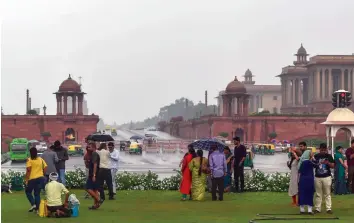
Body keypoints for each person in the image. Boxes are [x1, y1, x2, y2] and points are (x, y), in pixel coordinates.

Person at [313, 143, 335, 214]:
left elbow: (333, 166)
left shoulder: (329, 156)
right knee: (318, 194)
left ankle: (328, 208)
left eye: (324, 150)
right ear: (319, 149)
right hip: (317, 177)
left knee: (327, 193)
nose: (322, 151)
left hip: (327, 177)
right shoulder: (316, 156)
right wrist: (318, 163)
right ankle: (317, 209)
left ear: (326, 149)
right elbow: (313, 165)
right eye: (321, 150)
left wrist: (327, 163)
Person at [25, 147, 48, 212]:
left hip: (32, 179)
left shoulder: (29, 160)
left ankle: (33, 204)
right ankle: (38, 209)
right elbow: (45, 167)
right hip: (40, 178)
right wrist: (43, 174)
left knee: (28, 192)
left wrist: (26, 179)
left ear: (30, 153)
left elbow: (28, 170)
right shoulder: (40, 159)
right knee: (37, 193)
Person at [297, 150, 315, 215]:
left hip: (302, 180)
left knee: (302, 194)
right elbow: (317, 165)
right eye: (311, 154)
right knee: (309, 194)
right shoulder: (309, 162)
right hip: (309, 180)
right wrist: (313, 158)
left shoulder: (302, 162)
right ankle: (309, 210)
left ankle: (302, 209)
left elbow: (299, 171)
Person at [85, 142, 102, 210]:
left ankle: (98, 199)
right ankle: (95, 205)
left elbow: (95, 164)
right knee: (95, 190)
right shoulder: (92, 154)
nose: (88, 148)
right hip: (95, 173)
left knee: (87, 188)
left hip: (94, 174)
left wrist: (94, 175)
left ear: (93, 147)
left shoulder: (94, 154)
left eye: (89, 147)